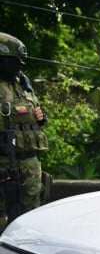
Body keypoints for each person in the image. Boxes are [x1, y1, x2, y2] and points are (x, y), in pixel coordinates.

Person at [0, 32, 48, 227]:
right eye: (14, 61)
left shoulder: (23, 85)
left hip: (29, 165)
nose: (19, 67)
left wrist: (42, 117)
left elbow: (37, 115)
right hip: (3, 163)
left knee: (29, 221)